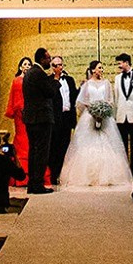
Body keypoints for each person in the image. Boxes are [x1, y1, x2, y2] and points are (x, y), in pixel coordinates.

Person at [59, 60, 133, 188]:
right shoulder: (87, 84)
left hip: (105, 118)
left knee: (108, 144)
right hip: (89, 116)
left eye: (102, 68)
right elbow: (81, 101)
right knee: (87, 144)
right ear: (93, 70)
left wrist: (104, 110)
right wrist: (93, 111)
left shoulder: (107, 83)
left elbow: (110, 100)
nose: (101, 70)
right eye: (99, 68)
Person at [20, 46, 58, 196]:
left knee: (33, 152)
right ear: (42, 59)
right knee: (41, 152)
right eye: (48, 58)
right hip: (41, 118)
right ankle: (37, 184)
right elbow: (49, 93)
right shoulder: (39, 73)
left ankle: (32, 183)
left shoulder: (30, 74)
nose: (50, 61)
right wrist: (55, 79)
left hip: (31, 118)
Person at [5, 56, 42, 187]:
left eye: (29, 64)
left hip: (31, 113)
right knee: (22, 137)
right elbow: (16, 98)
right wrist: (21, 109)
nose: (27, 66)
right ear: (20, 66)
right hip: (20, 114)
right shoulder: (17, 81)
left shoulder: (31, 80)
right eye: (25, 64)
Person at [47, 54, 78, 184]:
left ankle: (64, 174)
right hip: (55, 118)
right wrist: (55, 79)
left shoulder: (70, 80)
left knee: (65, 146)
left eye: (60, 64)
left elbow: (74, 96)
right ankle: (54, 174)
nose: (58, 67)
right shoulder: (49, 81)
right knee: (54, 147)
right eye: (55, 65)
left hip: (67, 117)